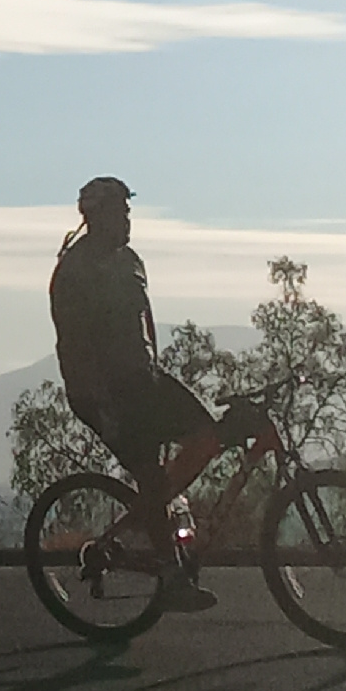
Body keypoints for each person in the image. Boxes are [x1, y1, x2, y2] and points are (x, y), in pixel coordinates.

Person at [48, 176, 222, 612]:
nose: (127, 220)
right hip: (102, 391)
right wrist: (101, 405)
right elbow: (73, 346)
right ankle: (170, 572)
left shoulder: (130, 261)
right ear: (95, 218)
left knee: (207, 438)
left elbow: (145, 322)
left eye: (128, 212)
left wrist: (157, 372)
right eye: (119, 213)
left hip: (142, 378)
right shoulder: (74, 272)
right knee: (150, 475)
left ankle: (156, 507)